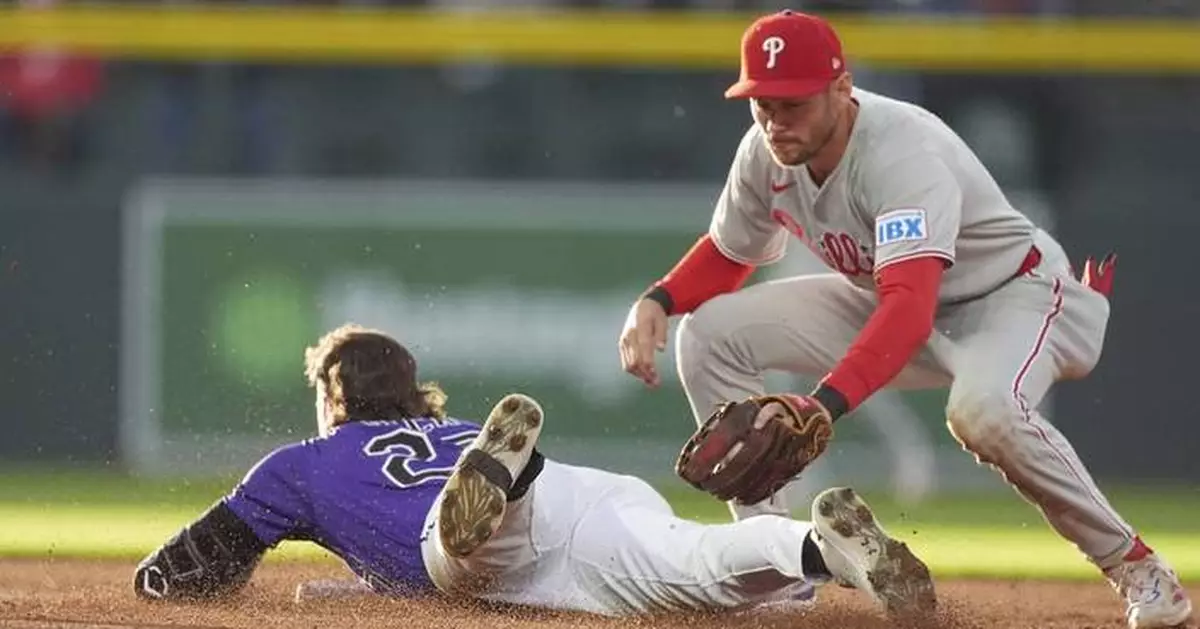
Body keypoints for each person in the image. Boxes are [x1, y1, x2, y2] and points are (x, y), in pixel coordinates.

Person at [616, 9, 1192, 629]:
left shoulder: (899, 153)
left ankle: (1140, 569)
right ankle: (772, 562)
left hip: (1011, 297)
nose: (776, 120)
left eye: (794, 103)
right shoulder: (764, 151)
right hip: (892, 297)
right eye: (762, 102)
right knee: (709, 334)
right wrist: (661, 299)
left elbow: (911, 309)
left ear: (842, 88)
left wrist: (822, 405)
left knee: (983, 411)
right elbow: (732, 251)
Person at [131, 323, 936, 619]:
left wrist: (156, 583)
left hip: (486, 552)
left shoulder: (300, 465)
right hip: (579, 490)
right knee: (694, 562)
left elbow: (186, 572)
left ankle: (481, 502)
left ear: (331, 400)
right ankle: (823, 548)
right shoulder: (444, 424)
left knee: (454, 561)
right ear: (412, 391)